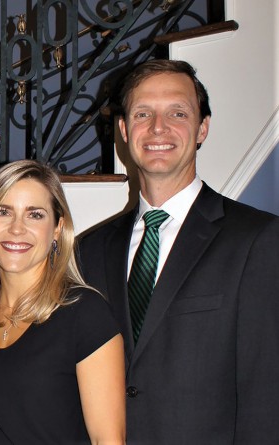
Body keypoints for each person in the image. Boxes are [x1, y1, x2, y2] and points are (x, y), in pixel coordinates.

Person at [78, 59, 279, 443]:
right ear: (123, 129)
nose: (158, 128)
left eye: (177, 112)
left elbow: (267, 393)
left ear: (202, 128)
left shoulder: (256, 239)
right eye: (143, 113)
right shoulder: (91, 249)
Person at [0, 160, 126, 444]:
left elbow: (107, 440)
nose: (16, 229)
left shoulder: (84, 313)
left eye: (34, 215)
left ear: (58, 228)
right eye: (3, 212)